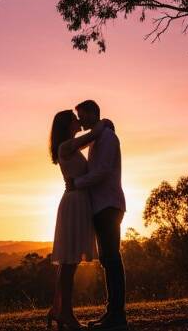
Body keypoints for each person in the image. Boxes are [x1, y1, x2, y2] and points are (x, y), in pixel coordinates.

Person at [47, 109, 112, 330]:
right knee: (69, 263)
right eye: (75, 119)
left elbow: (88, 141)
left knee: (69, 263)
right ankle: (65, 313)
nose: (78, 121)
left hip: (79, 202)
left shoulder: (71, 146)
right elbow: (91, 137)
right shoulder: (65, 147)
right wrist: (103, 123)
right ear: (67, 125)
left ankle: (60, 311)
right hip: (74, 203)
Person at [66, 100, 127, 331]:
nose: (80, 121)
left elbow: (102, 172)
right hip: (101, 206)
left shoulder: (108, 139)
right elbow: (72, 147)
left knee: (111, 259)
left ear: (93, 113)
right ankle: (112, 313)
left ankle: (117, 316)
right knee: (108, 260)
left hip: (109, 205)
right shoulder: (97, 137)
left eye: (82, 116)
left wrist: (76, 184)